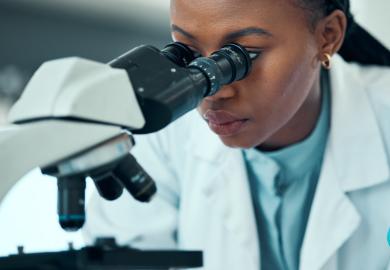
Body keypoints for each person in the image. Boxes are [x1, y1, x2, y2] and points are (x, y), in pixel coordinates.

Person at [83, 0, 390, 269]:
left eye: (245, 55)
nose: (214, 90)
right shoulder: (161, 135)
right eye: (187, 53)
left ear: (328, 36)